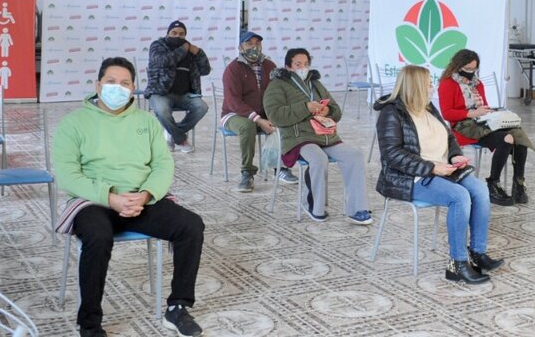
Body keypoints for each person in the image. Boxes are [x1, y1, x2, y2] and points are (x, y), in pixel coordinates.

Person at [52, 57, 205, 337]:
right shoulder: (73, 123)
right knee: (98, 236)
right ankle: (90, 324)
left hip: (139, 199)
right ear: (98, 85)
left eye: (125, 83)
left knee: (191, 226)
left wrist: (145, 195)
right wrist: (111, 198)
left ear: (133, 88)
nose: (117, 88)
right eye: (111, 82)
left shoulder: (146, 121)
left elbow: (162, 164)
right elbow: (68, 175)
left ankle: (178, 308)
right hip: (94, 201)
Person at [375, 65, 504, 284]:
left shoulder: (427, 107)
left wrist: (454, 156)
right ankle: (457, 263)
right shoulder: (391, 113)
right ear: (416, 86)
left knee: (480, 190)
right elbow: (392, 155)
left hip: (442, 170)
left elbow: (448, 136)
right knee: (459, 196)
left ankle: (477, 253)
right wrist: (431, 167)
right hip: (410, 177)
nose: (432, 88)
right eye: (428, 84)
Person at [263, 48, 372, 224]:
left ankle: (358, 209)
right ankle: (314, 206)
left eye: (306, 64)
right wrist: (305, 107)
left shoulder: (315, 83)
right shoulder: (277, 85)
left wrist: (327, 110)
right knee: (318, 159)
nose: (303, 68)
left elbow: (336, 111)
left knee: (355, 156)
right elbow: (276, 116)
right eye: (298, 64)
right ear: (288, 66)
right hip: (299, 138)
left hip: (326, 136)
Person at [437, 49, 535, 206]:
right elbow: (447, 113)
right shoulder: (447, 84)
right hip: (462, 126)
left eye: (473, 69)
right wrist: (472, 113)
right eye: (467, 69)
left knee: (518, 136)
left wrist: (493, 113)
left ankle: (519, 184)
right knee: (506, 139)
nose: (471, 72)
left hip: (482, 121)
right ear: (457, 66)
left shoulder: (477, 83)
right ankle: (493, 184)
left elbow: (483, 106)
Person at [221, 31, 297, 192]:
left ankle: (280, 167)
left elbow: (277, 93)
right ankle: (247, 173)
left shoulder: (269, 66)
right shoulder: (233, 69)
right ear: (240, 47)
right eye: (249, 43)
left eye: (257, 43)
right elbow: (234, 102)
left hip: (262, 112)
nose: (254, 47)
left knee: (283, 121)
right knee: (247, 126)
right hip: (234, 114)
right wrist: (258, 119)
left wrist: (275, 114)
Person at [146, 20, 211, 154]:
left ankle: (172, 133)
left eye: (181, 34)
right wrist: (183, 49)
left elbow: (205, 70)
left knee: (202, 107)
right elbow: (162, 61)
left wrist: (199, 53)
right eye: (174, 33)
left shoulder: (190, 50)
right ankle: (181, 139)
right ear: (167, 33)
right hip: (160, 92)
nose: (177, 36)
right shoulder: (157, 45)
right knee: (162, 110)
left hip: (184, 95)